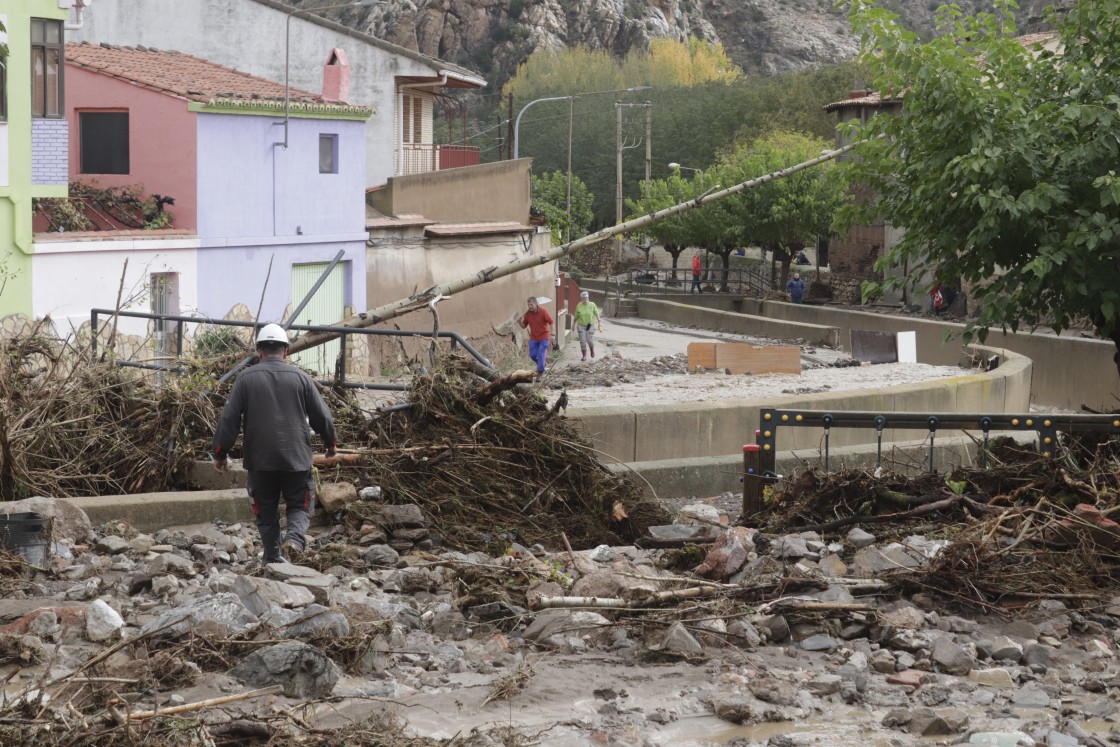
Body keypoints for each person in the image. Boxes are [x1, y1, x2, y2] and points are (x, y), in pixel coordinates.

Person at [210, 323, 337, 564]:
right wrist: (330, 442)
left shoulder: (245, 379)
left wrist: (220, 453)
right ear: (286, 351)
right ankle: (295, 540)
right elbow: (322, 416)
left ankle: (272, 557)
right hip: (296, 458)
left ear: (259, 351)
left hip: (260, 460)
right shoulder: (301, 378)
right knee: (300, 505)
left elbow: (229, 419)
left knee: (265, 511)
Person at [518, 296, 553, 379]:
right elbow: (523, 326)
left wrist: (553, 334)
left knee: (540, 354)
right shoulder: (527, 314)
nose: (530, 306)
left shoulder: (543, 312)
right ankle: (542, 364)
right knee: (532, 355)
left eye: (531, 304)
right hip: (534, 338)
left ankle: (540, 372)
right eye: (528, 305)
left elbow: (552, 323)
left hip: (544, 337)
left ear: (536, 304)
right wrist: (519, 321)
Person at [574, 290, 604, 361]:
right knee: (582, 340)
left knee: (589, 340)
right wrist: (573, 325)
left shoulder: (592, 304)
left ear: (588, 298)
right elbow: (576, 316)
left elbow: (596, 312)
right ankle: (584, 355)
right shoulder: (579, 305)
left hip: (589, 325)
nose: (585, 299)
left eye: (586, 298)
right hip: (581, 325)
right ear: (581, 298)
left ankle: (592, 350)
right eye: (584, 298)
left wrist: (599, 320)